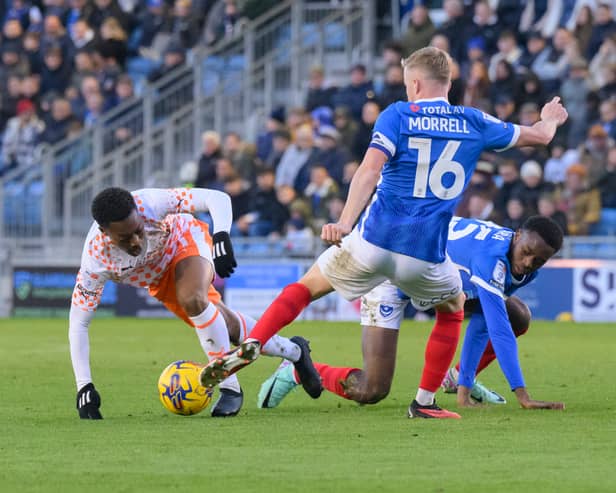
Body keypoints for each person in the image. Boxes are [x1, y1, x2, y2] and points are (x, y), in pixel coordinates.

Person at [199, 47, 568, 418]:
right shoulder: (473, 121)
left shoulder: (398, 115)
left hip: (371, 244)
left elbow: (369, 170)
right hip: (423, 258)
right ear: (449, 83)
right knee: (453, 307)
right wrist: (549, 118)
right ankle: (424, 402)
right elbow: (539, 137)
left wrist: (345, 222)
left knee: (308, 289)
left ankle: (255, 342)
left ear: (416, 83)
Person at [258, 216, 565, 416]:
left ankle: (456, 380)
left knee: (516, 315)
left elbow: (487, 319)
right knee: (372, 389)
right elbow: (497, 330)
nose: (528, 262)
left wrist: (465, 389)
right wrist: (523, 395)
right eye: (527, 252)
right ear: (517, 235)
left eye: (539, 260)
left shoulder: (515, 259)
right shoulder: (491, 259)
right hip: (392, 276)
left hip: (435, 282)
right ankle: (298, 370)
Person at [69, 187, 312, 419]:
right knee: (227, 326)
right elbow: (78, 324)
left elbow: (216, 198)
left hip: (184, 240)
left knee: (192, 299)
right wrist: (84, 386)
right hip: (158, 280)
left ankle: (230, 388)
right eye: (124, 238)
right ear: (104, 232)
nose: (135, 241)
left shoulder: (150, 202)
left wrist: (221, 236)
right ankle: (294, 351)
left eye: (139, 231)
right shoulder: (94, 261)